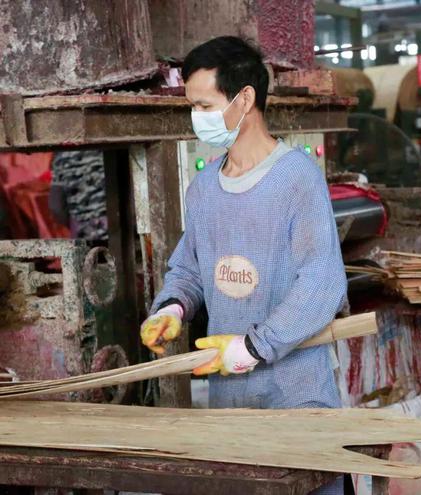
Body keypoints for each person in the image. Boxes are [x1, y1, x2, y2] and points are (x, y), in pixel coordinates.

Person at [139, 37, 346, 494]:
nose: (197, 118)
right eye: (192, 106)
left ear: (245, 98)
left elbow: (322, 282)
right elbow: (189, 270)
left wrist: (255, 346)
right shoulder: (203, 189)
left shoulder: (297, 179)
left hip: (295, 396)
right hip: (231, 401)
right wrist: (172, 308)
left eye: (204, 106)